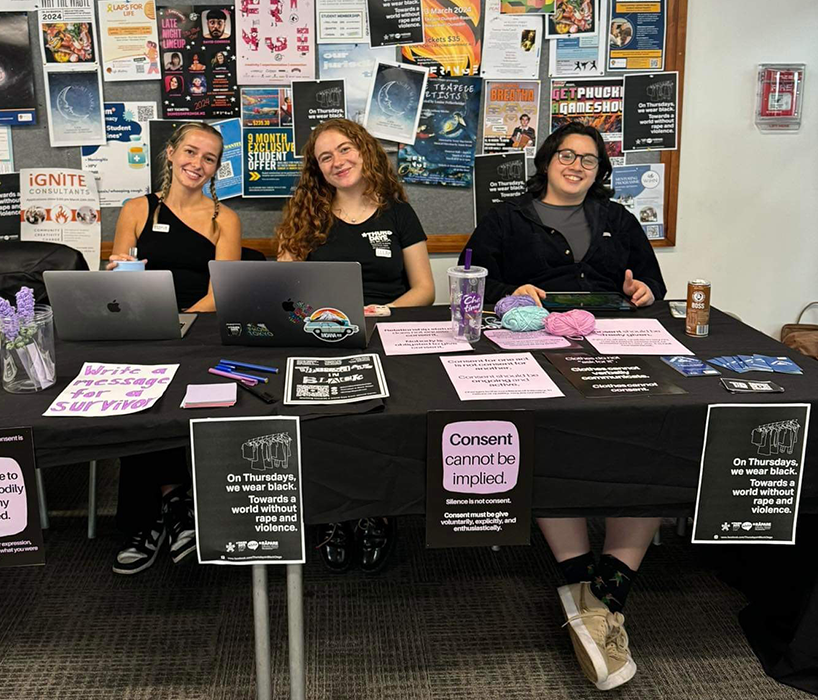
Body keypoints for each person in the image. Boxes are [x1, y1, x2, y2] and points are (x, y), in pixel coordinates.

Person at [461, 122, 666, 690]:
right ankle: (589, 587)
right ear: (547, 160)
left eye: (589, 160)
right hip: (533, 346)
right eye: (567, 155)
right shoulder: (506, 217)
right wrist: (510, 294)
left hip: (614, 346)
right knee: (544, 439)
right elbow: (471, 279)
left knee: (651, 434)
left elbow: (652, 285)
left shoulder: (620, 221)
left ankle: (595, 602)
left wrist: (644, 292)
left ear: (600, 171)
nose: (577, 165)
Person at [276, 118, 434, 574]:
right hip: (320, 337)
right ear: (316, 169)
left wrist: (384, 311)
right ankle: (332, 515)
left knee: (381, 425)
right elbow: (283, 289)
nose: (337, 162)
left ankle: (375, 512)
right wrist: (314, 319)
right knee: (321, 423)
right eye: (325, 157)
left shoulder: (399, 212)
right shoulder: (305, 214)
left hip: (385, 333)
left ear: (364, 151)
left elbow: (423, 289)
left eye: (344, 150)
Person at [107, 122, 241, 574]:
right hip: (144, 331)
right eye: (190, 151)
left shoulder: (225, 219)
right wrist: (118, 273)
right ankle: (164, 513)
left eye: (208, 158)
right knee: (135, 400)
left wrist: (180, 324)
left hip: (199, 329)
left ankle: (176, 508)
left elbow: (222, 292)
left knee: (188, 393)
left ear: (217, 169)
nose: (196, 164)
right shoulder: (135, 209)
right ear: (170, 153)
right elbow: (120, 283)